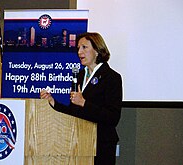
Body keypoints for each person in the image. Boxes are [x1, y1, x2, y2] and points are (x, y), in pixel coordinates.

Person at [40, 32, 122, 165]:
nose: (79, 52)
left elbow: (113, 117)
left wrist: (84, 103)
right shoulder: (80, 76)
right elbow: (74, 112)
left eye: (84, 47)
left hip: (101, 144)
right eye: (78, 48)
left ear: (97, 50)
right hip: (78, 141)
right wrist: (53, 102)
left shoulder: (111, 78)